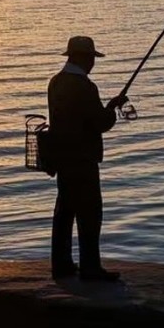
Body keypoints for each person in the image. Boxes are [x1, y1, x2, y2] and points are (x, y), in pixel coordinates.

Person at [47, 35, 127, 282]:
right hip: (83, 160)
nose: (93, 64)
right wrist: (112, 108)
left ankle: (61, 265)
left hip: (62, 159)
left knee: (64, 211)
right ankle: (90, 268)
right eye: (91, 59)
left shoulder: (56, 82)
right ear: (83, 59)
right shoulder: (85, 86)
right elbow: (99, 123)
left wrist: (108, 107)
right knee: (90, 214)